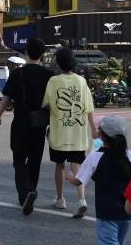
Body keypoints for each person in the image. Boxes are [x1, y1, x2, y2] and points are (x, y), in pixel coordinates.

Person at [0, 38, 53, 215]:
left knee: (19, 160)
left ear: (26, 52)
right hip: (39, 123)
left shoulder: (17, 74)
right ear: (42, 54)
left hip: (20, 122)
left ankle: (25, 192)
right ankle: (31, 188)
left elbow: (6, 98)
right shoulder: (49, 75)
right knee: (35, 159)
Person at [42, 47, 95, 218]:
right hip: (77, 132)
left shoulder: (53, 81)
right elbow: (89, 107)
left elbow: (46, 103)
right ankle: (81, 200)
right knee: (77, 165)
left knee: (59, 165)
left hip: (59, 131)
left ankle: (60, 199)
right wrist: (93, 129)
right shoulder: (81, 81)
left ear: (58, 62)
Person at [66, 116, 131, 244]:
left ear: (101, 134)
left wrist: (69, 176)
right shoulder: (129, 155)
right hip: (126, 211)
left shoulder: (95, 156)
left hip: (106, 211)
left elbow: (78, 181)